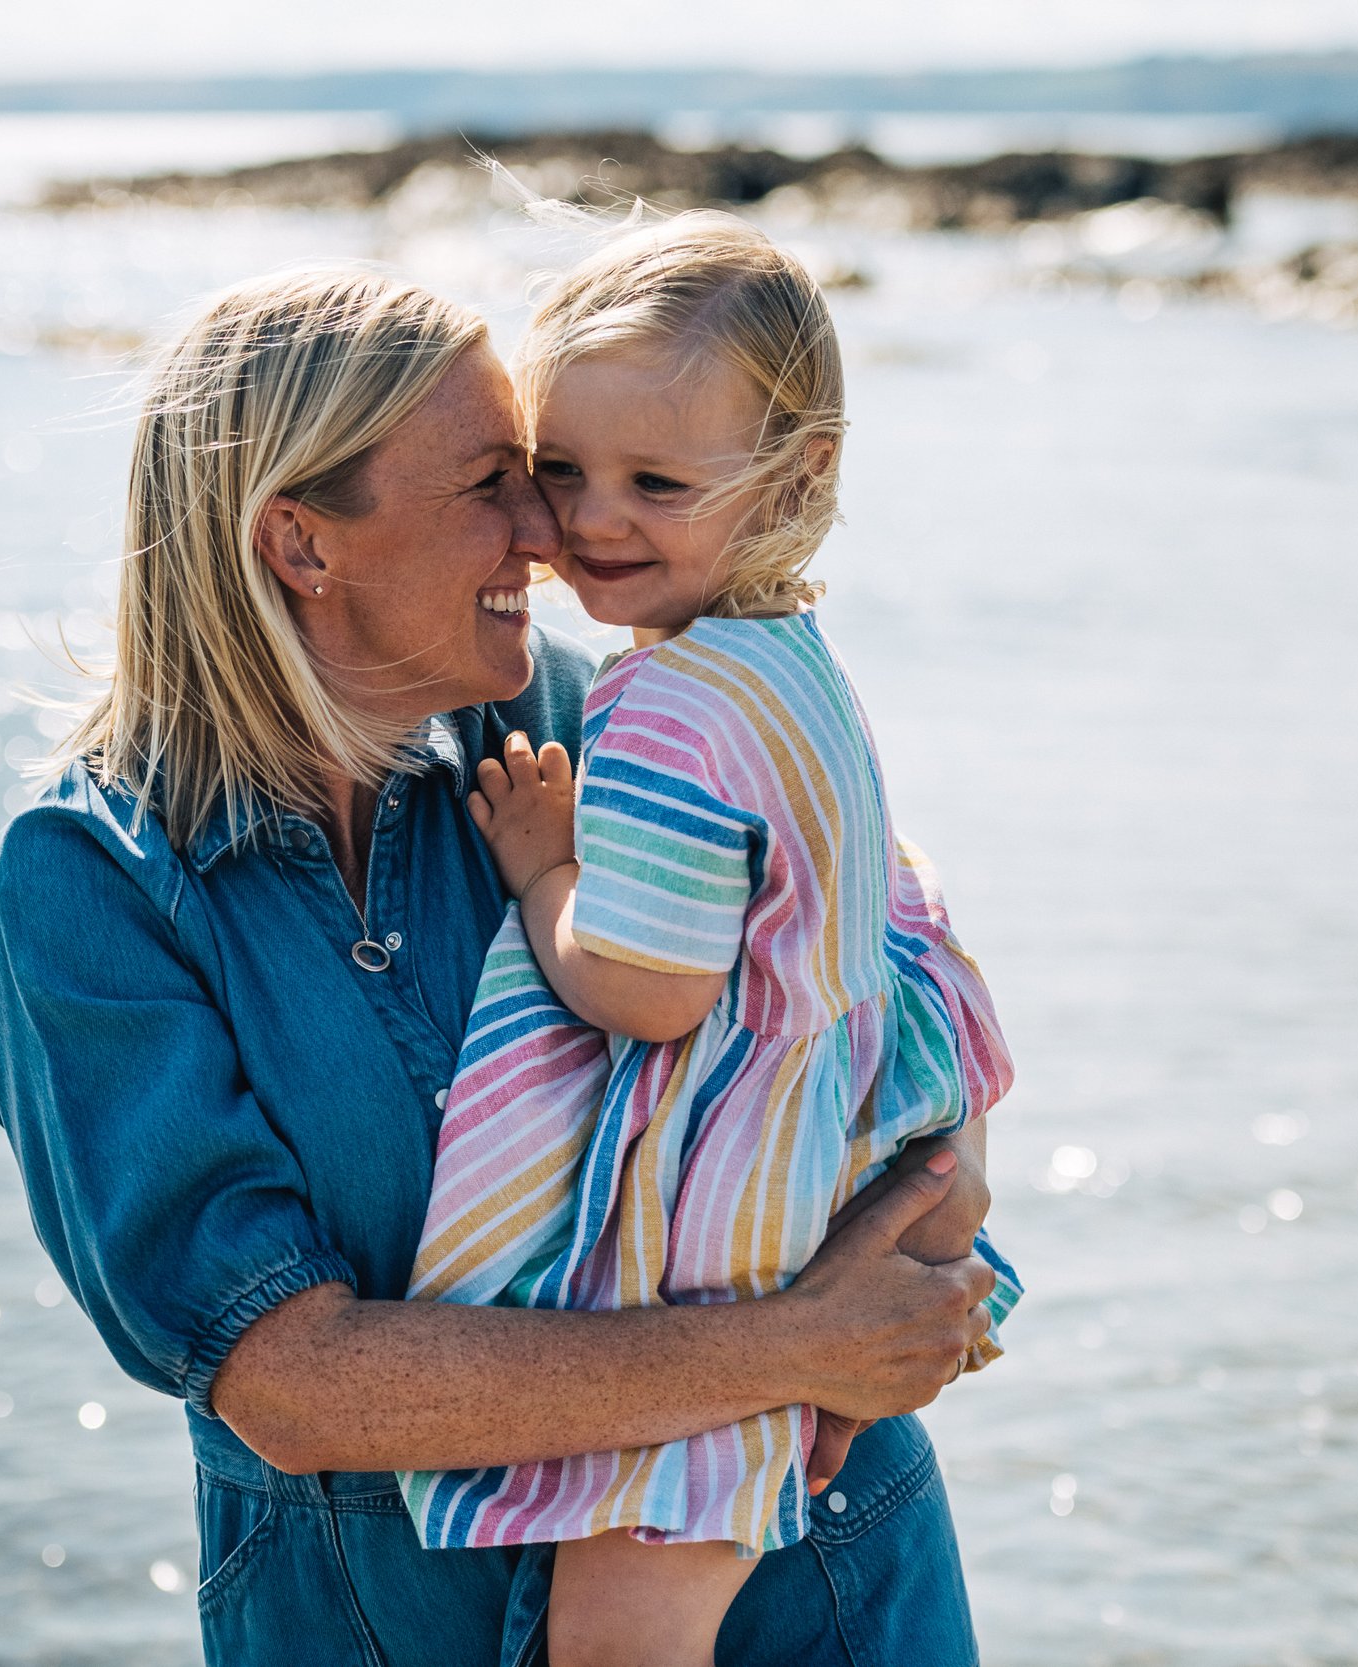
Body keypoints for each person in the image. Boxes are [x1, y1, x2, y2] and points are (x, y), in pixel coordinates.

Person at [0, 265, 1004, 1667]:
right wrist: (794, 1347)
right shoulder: (91, 888)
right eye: (496, 482)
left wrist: (947, 1207)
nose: (556, 527)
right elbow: (292, 1380)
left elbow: (879, 966)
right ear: (300, 542)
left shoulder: (594, 720)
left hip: (815, 1588)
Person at [398, 215, 1018, 1667]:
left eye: (655, 483)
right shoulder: (790, 659)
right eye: (561, 470)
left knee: (623, 1620)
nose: (592, 520)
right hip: (841, 1132)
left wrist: (548, 873)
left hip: (730, 1223)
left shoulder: (666, 709)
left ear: (796, 477)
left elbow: (652, 995)